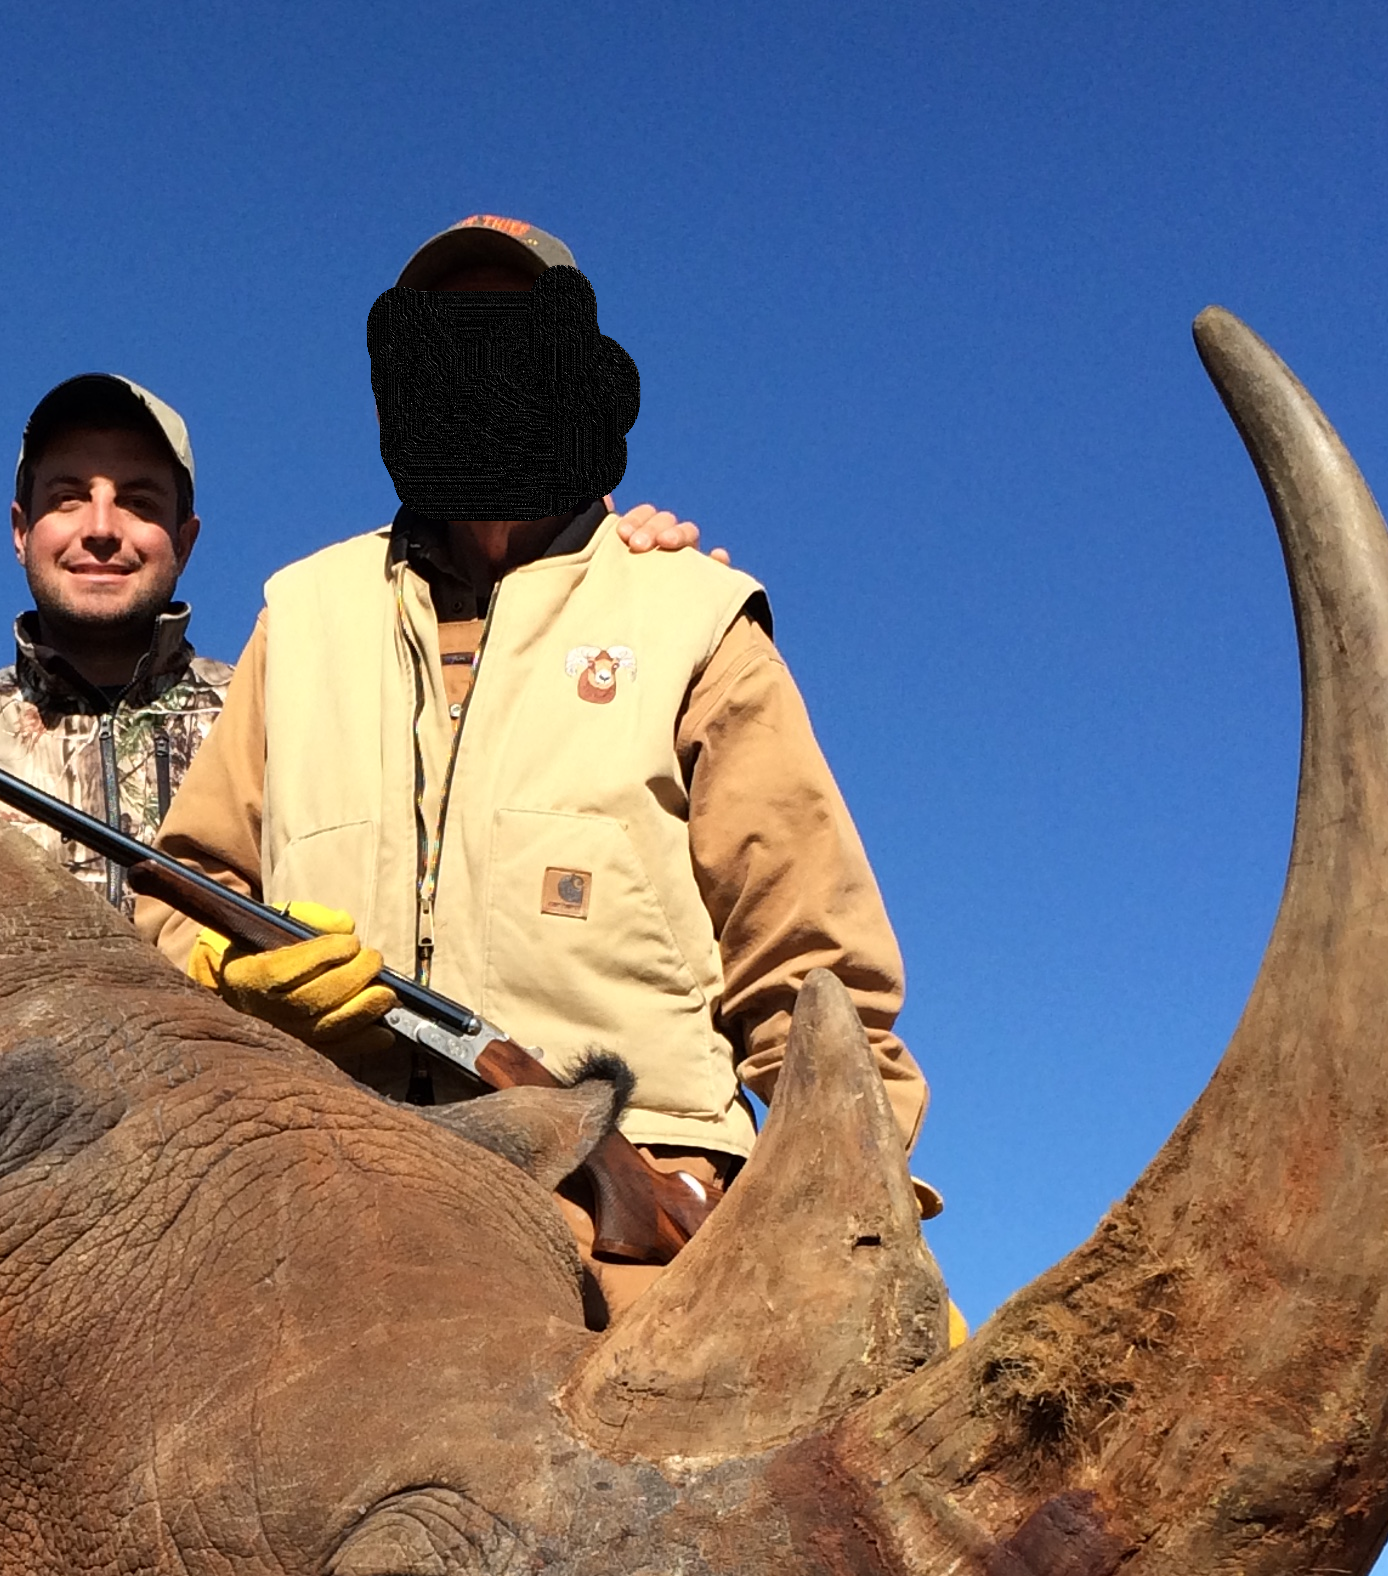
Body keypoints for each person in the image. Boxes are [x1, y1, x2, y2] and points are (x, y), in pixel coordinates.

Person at [135, 217, 928, 1273]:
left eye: (509, 339)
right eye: (446, 343)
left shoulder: (695, 615)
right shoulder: (303, 612)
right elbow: (180, 889)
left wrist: (866, 1228)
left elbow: (817, 983)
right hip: (319, 1194)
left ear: (575, 376)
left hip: (642, 1218)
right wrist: (226, 971)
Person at [0, 369, 713, 910]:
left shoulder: (290, 710)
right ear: (20, 529)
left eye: (141, 502)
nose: (103, 528)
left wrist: (607, 570)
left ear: (187, 539)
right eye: (67, 498)